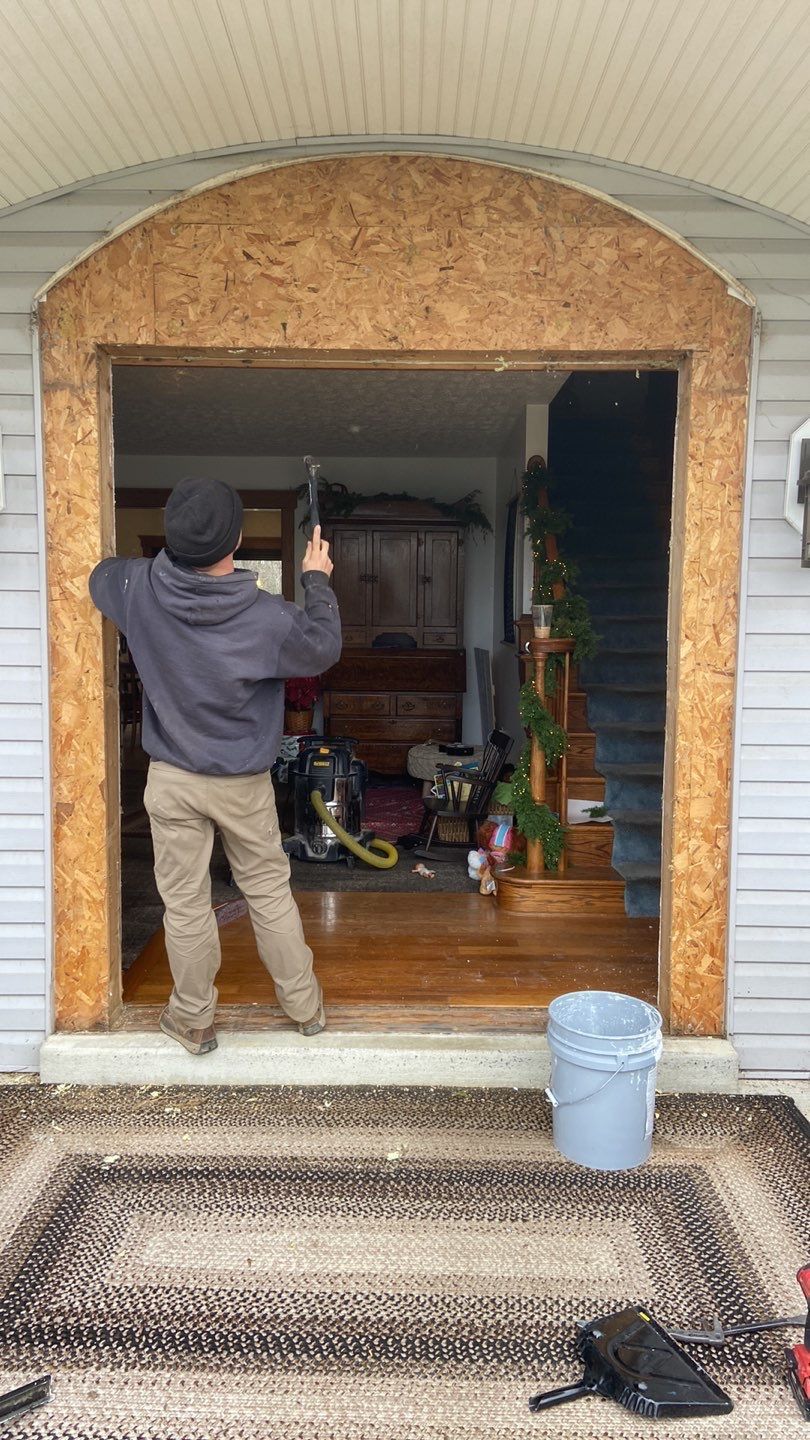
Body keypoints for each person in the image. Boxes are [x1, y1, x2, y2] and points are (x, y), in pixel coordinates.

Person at [89, 477, 341, 1055]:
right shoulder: (269, 619)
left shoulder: (135, 587)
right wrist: (316, 579)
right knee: (267, 892)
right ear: (237, 541)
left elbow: (101, 573)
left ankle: (194, 1019)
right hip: (242, 785)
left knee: (184, 902)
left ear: (173, 541)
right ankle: (305, 1009)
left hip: (172, 780)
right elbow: (324, 645)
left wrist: (154, 565)